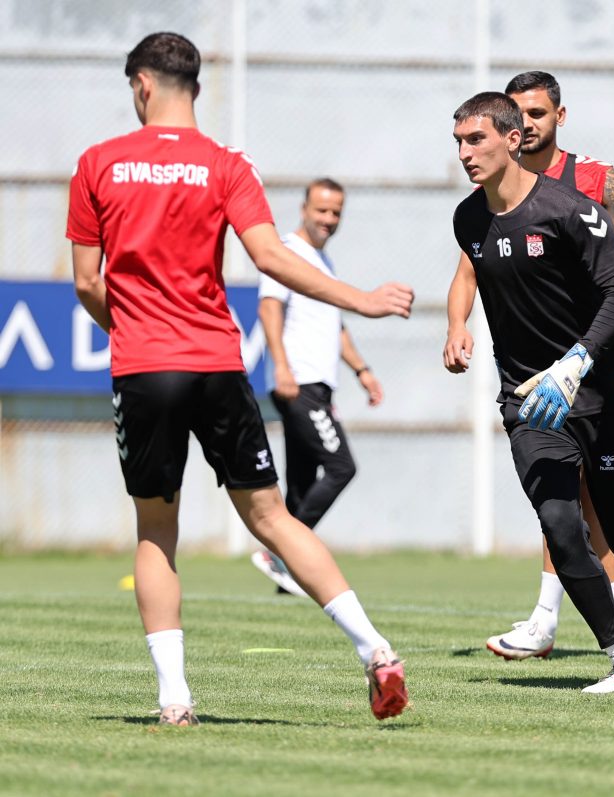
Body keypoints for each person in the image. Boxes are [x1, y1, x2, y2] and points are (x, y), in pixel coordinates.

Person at [66, 32, 413, 724]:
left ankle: (174, 698)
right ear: (195, 87)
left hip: (146, 366)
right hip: (217, 363)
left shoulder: (97, 163)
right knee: (272, 516)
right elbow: (273, 258)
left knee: (156, 528)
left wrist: (133, 330)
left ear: (141, 85)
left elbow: (86, 282)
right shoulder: (227, 164)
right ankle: (374, 648)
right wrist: (362, 300)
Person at [444, 71, 614, 662]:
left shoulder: (583, 195)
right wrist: (457, 325)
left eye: (476, 139)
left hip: (599, 388)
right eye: (459, 142)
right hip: (530, 397)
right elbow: (469, 273)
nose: (465, 153)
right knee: (560, 520)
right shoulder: (469, 217)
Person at [251, 178, 384, 598]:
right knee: (342, 466)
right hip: (299, 383)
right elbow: (269, 308)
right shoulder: (287, 252)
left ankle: (286, 581)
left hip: (317, 385)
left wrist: (362, 370)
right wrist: (281, 366)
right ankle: (279, 552)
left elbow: (335, 325)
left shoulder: (322, 261)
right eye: (321, 210)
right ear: (304, 209)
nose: (328, 219)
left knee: (302, 483)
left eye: (335, 212)